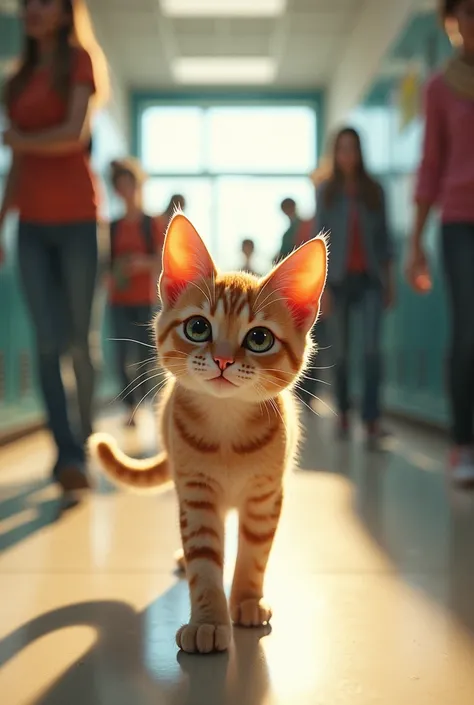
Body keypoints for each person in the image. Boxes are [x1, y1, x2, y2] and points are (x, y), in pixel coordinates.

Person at [0, 0, 109, 490]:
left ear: (66, 12)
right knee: (46, 344)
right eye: (27, 5)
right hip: (32, 226)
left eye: (45, 3)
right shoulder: (17, 79)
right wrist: (2, 217)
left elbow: (73, 133)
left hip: (79, 220)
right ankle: (67, 452)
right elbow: (18, 162)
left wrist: (20, 141)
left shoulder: (80, 61)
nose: (33, 11)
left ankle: (84, 434)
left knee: (78, 344)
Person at [406, 0, 474, 485]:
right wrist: (415, 243)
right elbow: (430, 167)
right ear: (452, 20)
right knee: (469, 330)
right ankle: (463, 443)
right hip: (459, 221)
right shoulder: (439, 88)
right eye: (467, 11)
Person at [316, 127, 394, 448]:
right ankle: (344, 412)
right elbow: (319, 241)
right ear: (336, 154)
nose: (348, 154)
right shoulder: (327, 191)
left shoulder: (374, 190)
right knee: (343, 352)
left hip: (371, 280)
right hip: (337, 282)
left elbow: (386, 240)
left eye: (353, 148)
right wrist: (321, 289)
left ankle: (372, 419)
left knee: (372, 351)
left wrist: (390, 283)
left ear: (361, 153)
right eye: (342, 149)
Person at [107, 158, 165, 426]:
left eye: (129, 184)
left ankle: (142, 403)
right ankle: (129, 407)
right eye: (120, 185)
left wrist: (141, 263)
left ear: (138, 186)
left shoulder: (152, 223)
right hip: (118, 300)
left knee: (143, 356)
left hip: (145, 299)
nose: (126, 190)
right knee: (120, 356)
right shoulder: (112, 226)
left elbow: (164, 260)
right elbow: (106, 264)